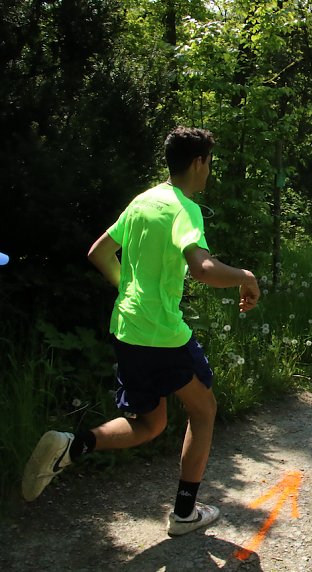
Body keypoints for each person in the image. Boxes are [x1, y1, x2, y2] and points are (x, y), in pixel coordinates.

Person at [21, 127, 260, 537]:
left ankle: (72, 444)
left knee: (149, 424)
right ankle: (185, 513)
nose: (209, 172)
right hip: (163, 334)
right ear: (200, 162)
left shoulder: (143, 201)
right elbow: (203, 269)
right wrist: (246, 277)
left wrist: (129, 290)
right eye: (210, 164)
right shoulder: (185, 208)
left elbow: (98, 252)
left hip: (127, 328)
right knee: (204, 411)